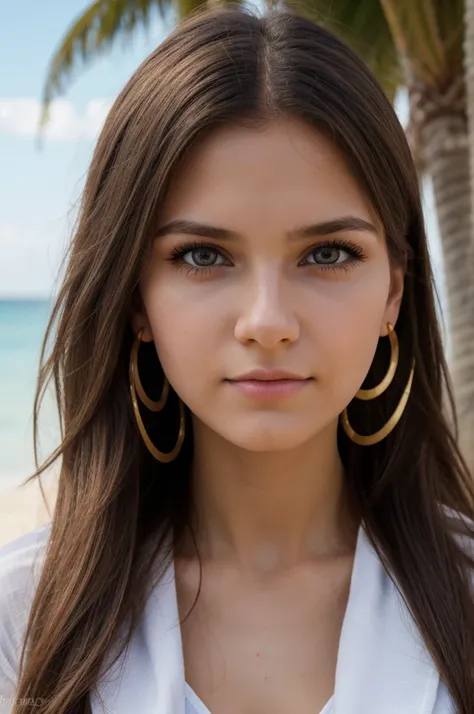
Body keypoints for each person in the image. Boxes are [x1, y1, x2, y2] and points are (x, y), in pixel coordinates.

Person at [1, 4, 474, 713]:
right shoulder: (24, 619)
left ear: (392, 294)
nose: (268, 322)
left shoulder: (463, 598)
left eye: (327, 254)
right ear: (135, 300)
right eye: (202, 256)